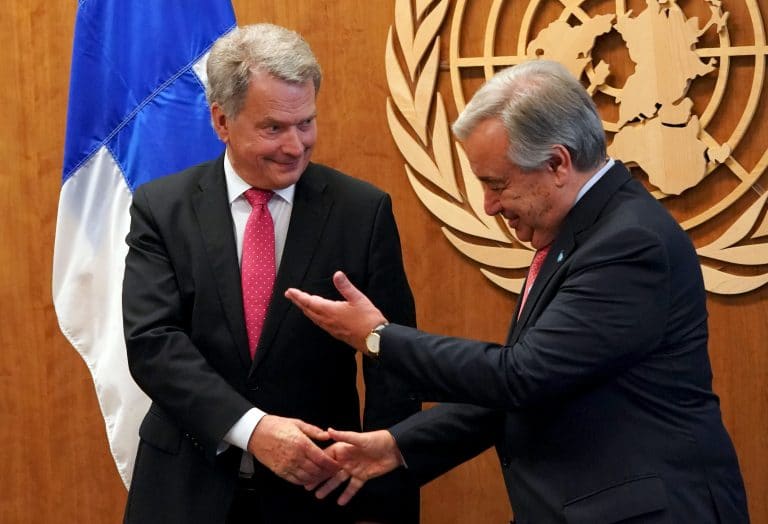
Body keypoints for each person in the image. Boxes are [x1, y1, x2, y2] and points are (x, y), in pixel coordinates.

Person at [285, 60, 750, 523]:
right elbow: (531, 387)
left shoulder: (628, 243)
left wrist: (377, 337)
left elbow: (522, 376)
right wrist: (397, 445)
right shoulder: (578, 231)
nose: (489, 205)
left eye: (497, 184)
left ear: (557, 163)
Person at [122, 23, 419, 524]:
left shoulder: (361, 211)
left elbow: (394, 362)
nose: (296, 145)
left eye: (306, 123)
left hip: (318, 492)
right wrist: (252, 429)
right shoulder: (162, 208)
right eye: (274, 128)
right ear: (221, 120)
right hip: (185, 489)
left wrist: (386, 501)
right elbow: (153, 343)